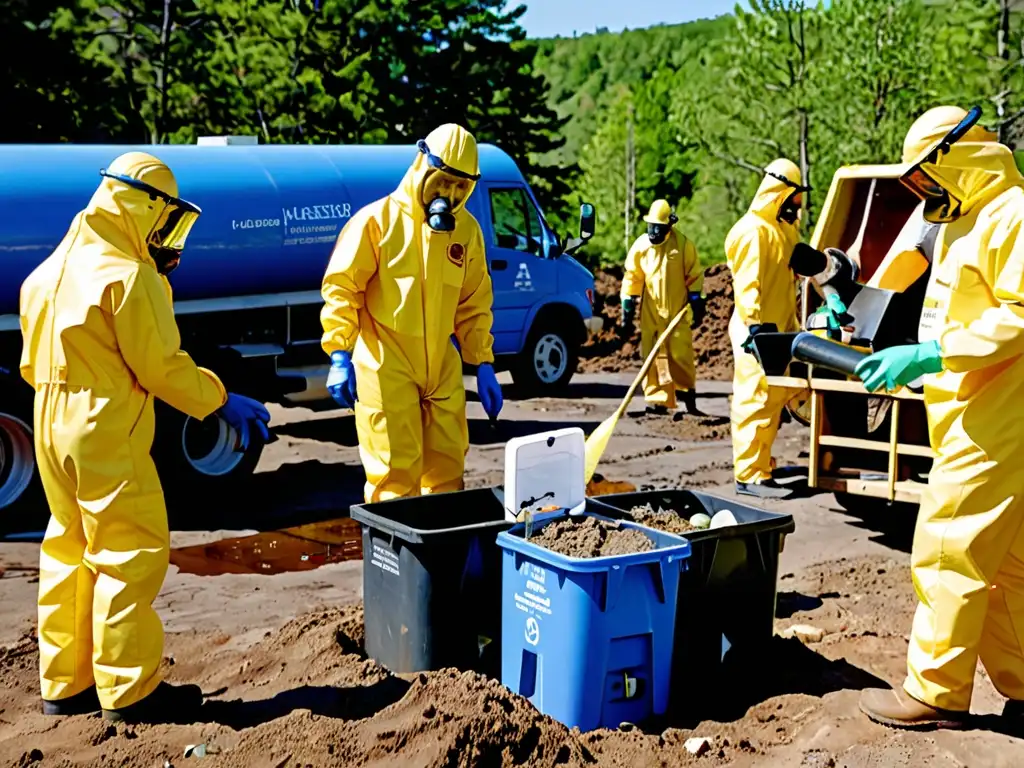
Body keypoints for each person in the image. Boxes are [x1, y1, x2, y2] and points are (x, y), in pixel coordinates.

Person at [20, 151, 271, 723]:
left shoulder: (46, 273)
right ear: (143, 208)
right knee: (127, 551)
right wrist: (220, 399)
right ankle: (130, 692)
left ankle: (65, 683)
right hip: (104, 427)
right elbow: (161, 367)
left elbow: (34, 365)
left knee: (67, 548)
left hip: (47, 421)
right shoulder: (130, 276)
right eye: (166, 220)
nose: (168, 235)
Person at [854, 105, 1024, 729]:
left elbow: (1019, 314)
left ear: (959, 156)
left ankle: (935, 691)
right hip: (972, 413)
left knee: (948, 546)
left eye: (929, 175)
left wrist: (932, 354)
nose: (926, 190)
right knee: (1007, 565)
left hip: (993, 419)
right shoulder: (963, 221)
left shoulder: (1012, 214)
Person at [321, 123, 502, 502]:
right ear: (423, 166)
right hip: (386, 366)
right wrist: (339, 351)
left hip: (441, 365)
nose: (448, 195)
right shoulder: (375, 223)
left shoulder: (465, 232)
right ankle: (397, 557)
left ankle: (439, 553)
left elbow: (474, 302)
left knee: (447, 469)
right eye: (443, 181)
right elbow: (342, 288)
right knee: (394, 477)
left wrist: (483, 361)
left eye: (460, 187)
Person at [725, 159, 808, 500]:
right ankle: (748, 474)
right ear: (780, 193)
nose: (798, 206)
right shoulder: (752, 231)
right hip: (755, 332)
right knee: (755, 399)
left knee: (773, 401)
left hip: (781, 329)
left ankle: (763, 466)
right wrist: (756, 327)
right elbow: (749, 284)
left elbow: (793, 272)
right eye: (795, 199)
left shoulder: (783, 230)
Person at [620, 199, 706, 416]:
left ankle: (686, 393)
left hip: (677, 311)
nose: (654, 232)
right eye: (652, 227)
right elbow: (633, 275)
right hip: (651, 311)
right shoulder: (641, 246)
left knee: (680, 353)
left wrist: (696, 298)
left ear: (669, 226)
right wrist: (628, 300)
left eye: (659, 227)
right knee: (651, 355)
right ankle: (656, 399)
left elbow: (694, 274)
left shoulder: (683, 245)